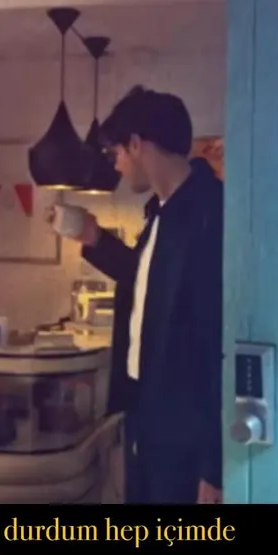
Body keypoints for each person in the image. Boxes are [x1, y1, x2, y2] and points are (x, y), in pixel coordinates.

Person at [48, 85, 224, 504]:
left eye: (117, 153)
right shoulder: (160, 212)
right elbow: (149, 283)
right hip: (145, 411)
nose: (118, 166)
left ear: (136, 144)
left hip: (184, 428)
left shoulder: (209, 213)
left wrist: (214, 466)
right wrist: (94, 238)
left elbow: (217, 343)